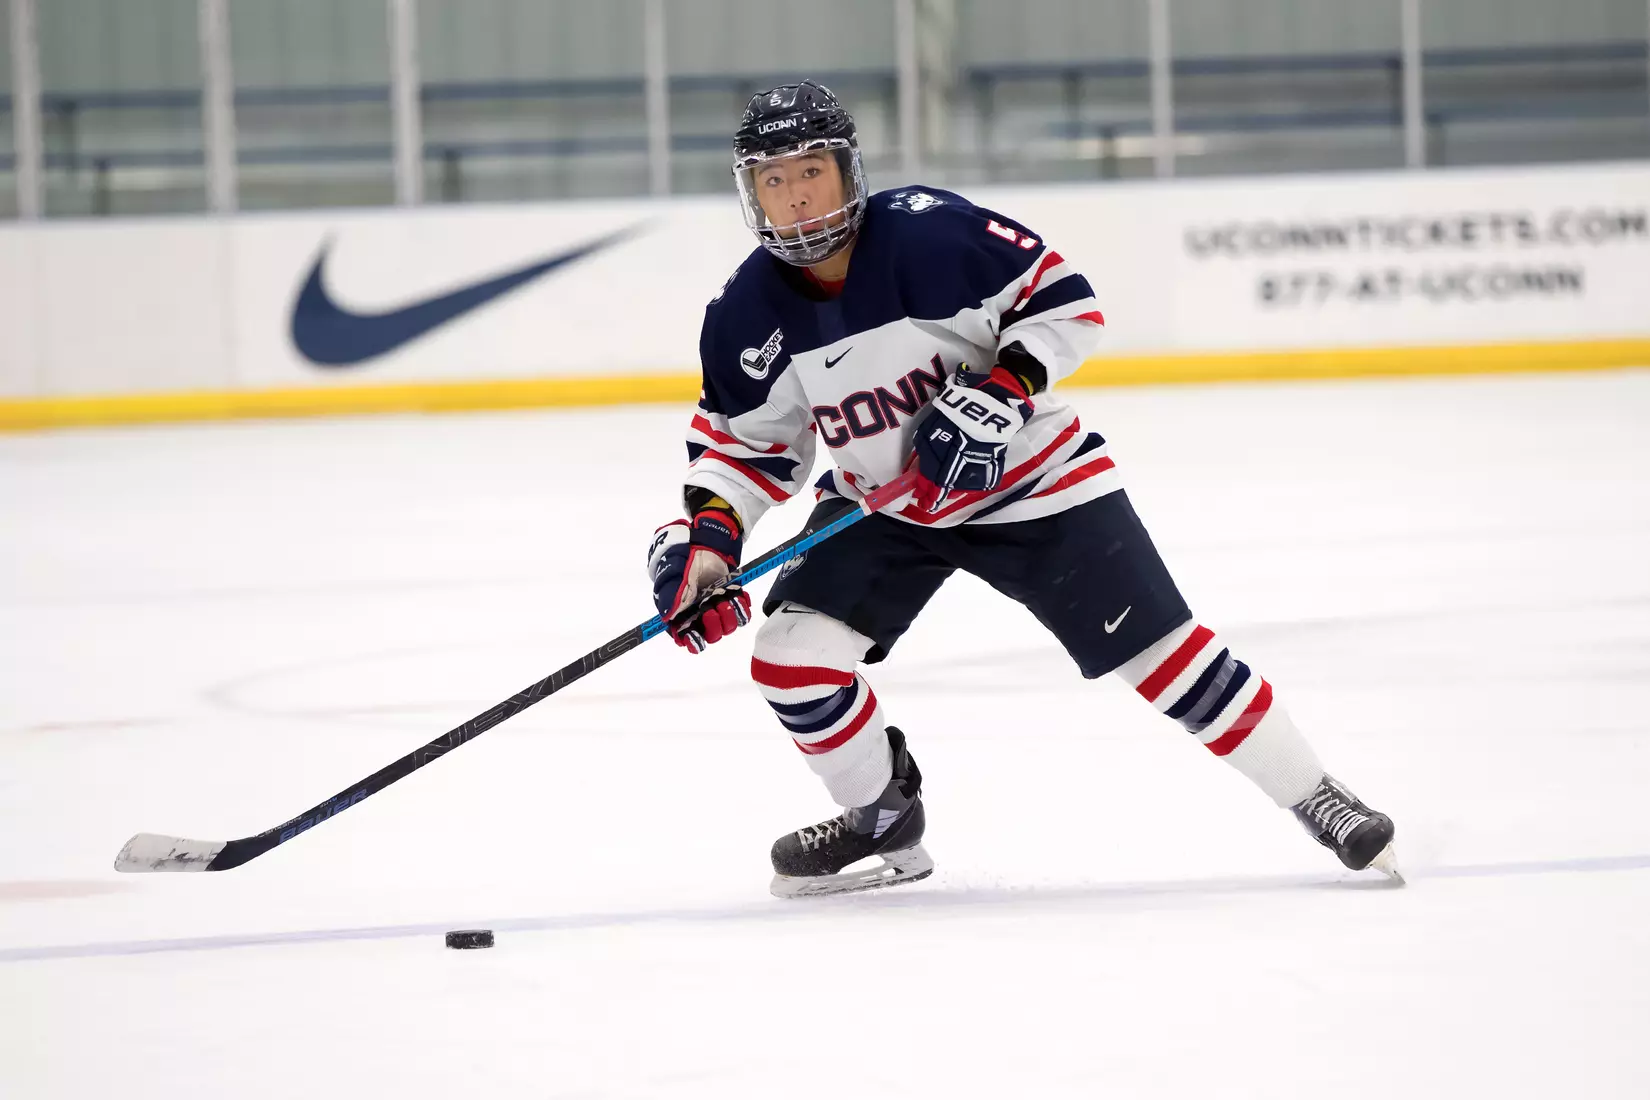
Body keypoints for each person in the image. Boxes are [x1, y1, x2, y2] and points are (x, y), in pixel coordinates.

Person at [645, 80, 1399, 898]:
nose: (795, 197)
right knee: (792, 660)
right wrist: (711, 544)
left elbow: (1065, 306)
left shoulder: (930, 234)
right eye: (774, 180)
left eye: (811, 170)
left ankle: (1317, 794)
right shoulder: (743, 313)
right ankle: (881, 817)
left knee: (1161, 655)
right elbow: (744, 449)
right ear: (749, 193)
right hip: (885, 504)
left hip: (1032, 478)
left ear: (849, 170)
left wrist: (1002, 392)